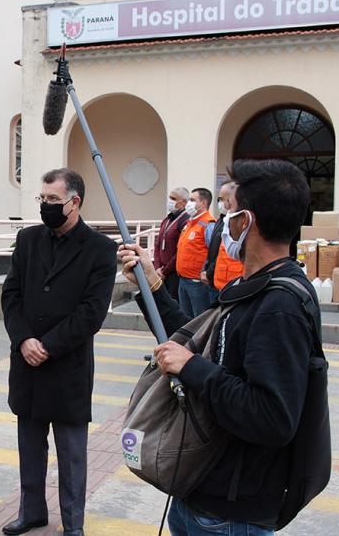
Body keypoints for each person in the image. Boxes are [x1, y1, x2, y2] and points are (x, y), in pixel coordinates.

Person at [117, 159, 317, 536]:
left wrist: (192, 368)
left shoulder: (279, 307)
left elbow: (272, 418)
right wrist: (152, 285)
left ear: (246, 222)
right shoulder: (251, 288)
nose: (221, 220)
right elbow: (197, 344)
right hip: (202, 492)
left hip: (232, 514)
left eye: (227, 208)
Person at [0, 168, 117, 536]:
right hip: (27, 365)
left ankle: (73, 525)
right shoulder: (29, 239)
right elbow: (11, 295)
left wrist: (47, 345)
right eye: (43, 199)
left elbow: (91, 313)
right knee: (30, 449)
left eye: (52, 200)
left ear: (74, 202)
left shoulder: (100, 249)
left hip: (67, 367)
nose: (45, 206)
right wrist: (23, 340)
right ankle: (32, 511)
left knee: (71, 454)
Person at [175, 187, 216, 317]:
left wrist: (206, 272)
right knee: (186, 320)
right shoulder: (190, 223)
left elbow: (214, 252)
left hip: (197, 282)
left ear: (203, 203)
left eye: (192, 200)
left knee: (199, 321)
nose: (188, 204)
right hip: (183, 279)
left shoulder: (208, 224)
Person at [201, 182, 244, 302]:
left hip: (233, 285)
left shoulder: (240, 225)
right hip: (218, 282)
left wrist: (208, 273)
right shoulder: (222, 221)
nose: (221, 203)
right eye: (219, 199)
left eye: (223, 199)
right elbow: (216, 252)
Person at [154, 187, 190, 300]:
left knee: (173, 303)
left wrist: (165, 271)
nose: (170, 201)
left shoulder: (185, 220)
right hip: (160, 271)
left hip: (174, 273)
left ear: (184, 202)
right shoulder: (167, 219)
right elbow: (158, 245)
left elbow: (180, 251)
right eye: (169, 198)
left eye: (173, 198)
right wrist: (157, 267)